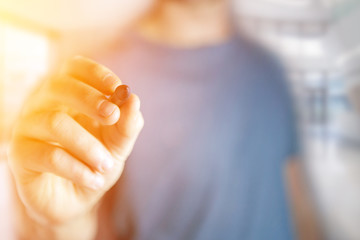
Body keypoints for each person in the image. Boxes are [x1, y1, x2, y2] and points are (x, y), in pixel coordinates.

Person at [9, 0, 318, 239]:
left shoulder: (267, 70)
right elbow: (76, 217)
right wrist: (64, 225)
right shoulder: (93, 82)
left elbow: (295, 204)